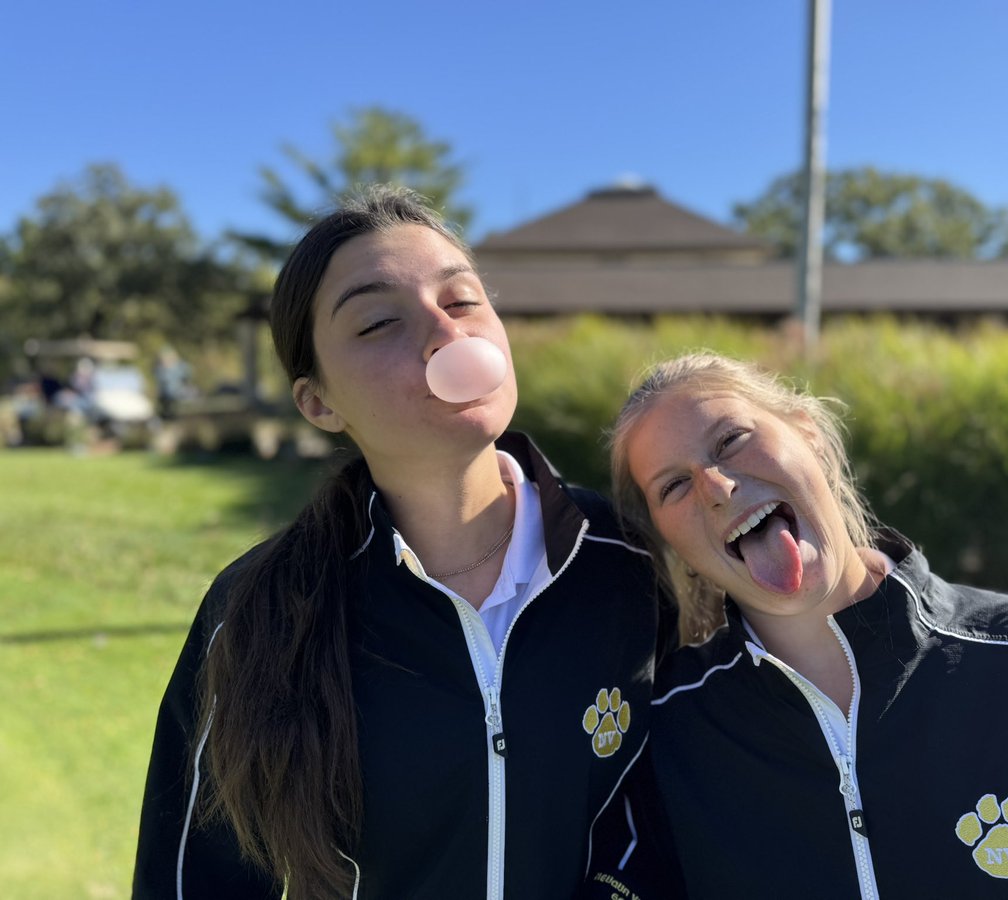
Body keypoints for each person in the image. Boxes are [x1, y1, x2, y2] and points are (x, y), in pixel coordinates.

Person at [133, 187, 666, 900]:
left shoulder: (637, 566)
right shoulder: (258, 608)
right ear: (318, 403)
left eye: (464, 300)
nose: (447, 336)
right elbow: (192, 878)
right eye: (380, 321)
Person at [584, 351, 1008, 899]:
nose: (717, 486)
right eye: (673, 486)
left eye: (731, 440)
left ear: (812, 438)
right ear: (668, 540)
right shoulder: (666, 729)